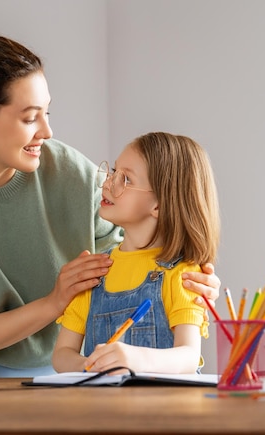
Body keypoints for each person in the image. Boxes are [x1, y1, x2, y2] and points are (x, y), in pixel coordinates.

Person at [0, 35, 221, 377]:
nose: (47, 131)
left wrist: (182, 271)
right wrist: (54, 302)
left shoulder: (70, 172)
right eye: (30, 118)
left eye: (46, 113)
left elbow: (127, 252)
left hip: (82, 369)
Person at [53, 132, 220, 374]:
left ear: (159, 205)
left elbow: (189, 356)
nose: (109, 183)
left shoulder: (183, 274)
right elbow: (61, 355)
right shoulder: (95, 271)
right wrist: (90, 366)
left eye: (127, 179)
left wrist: (134, 358)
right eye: (113, 171)